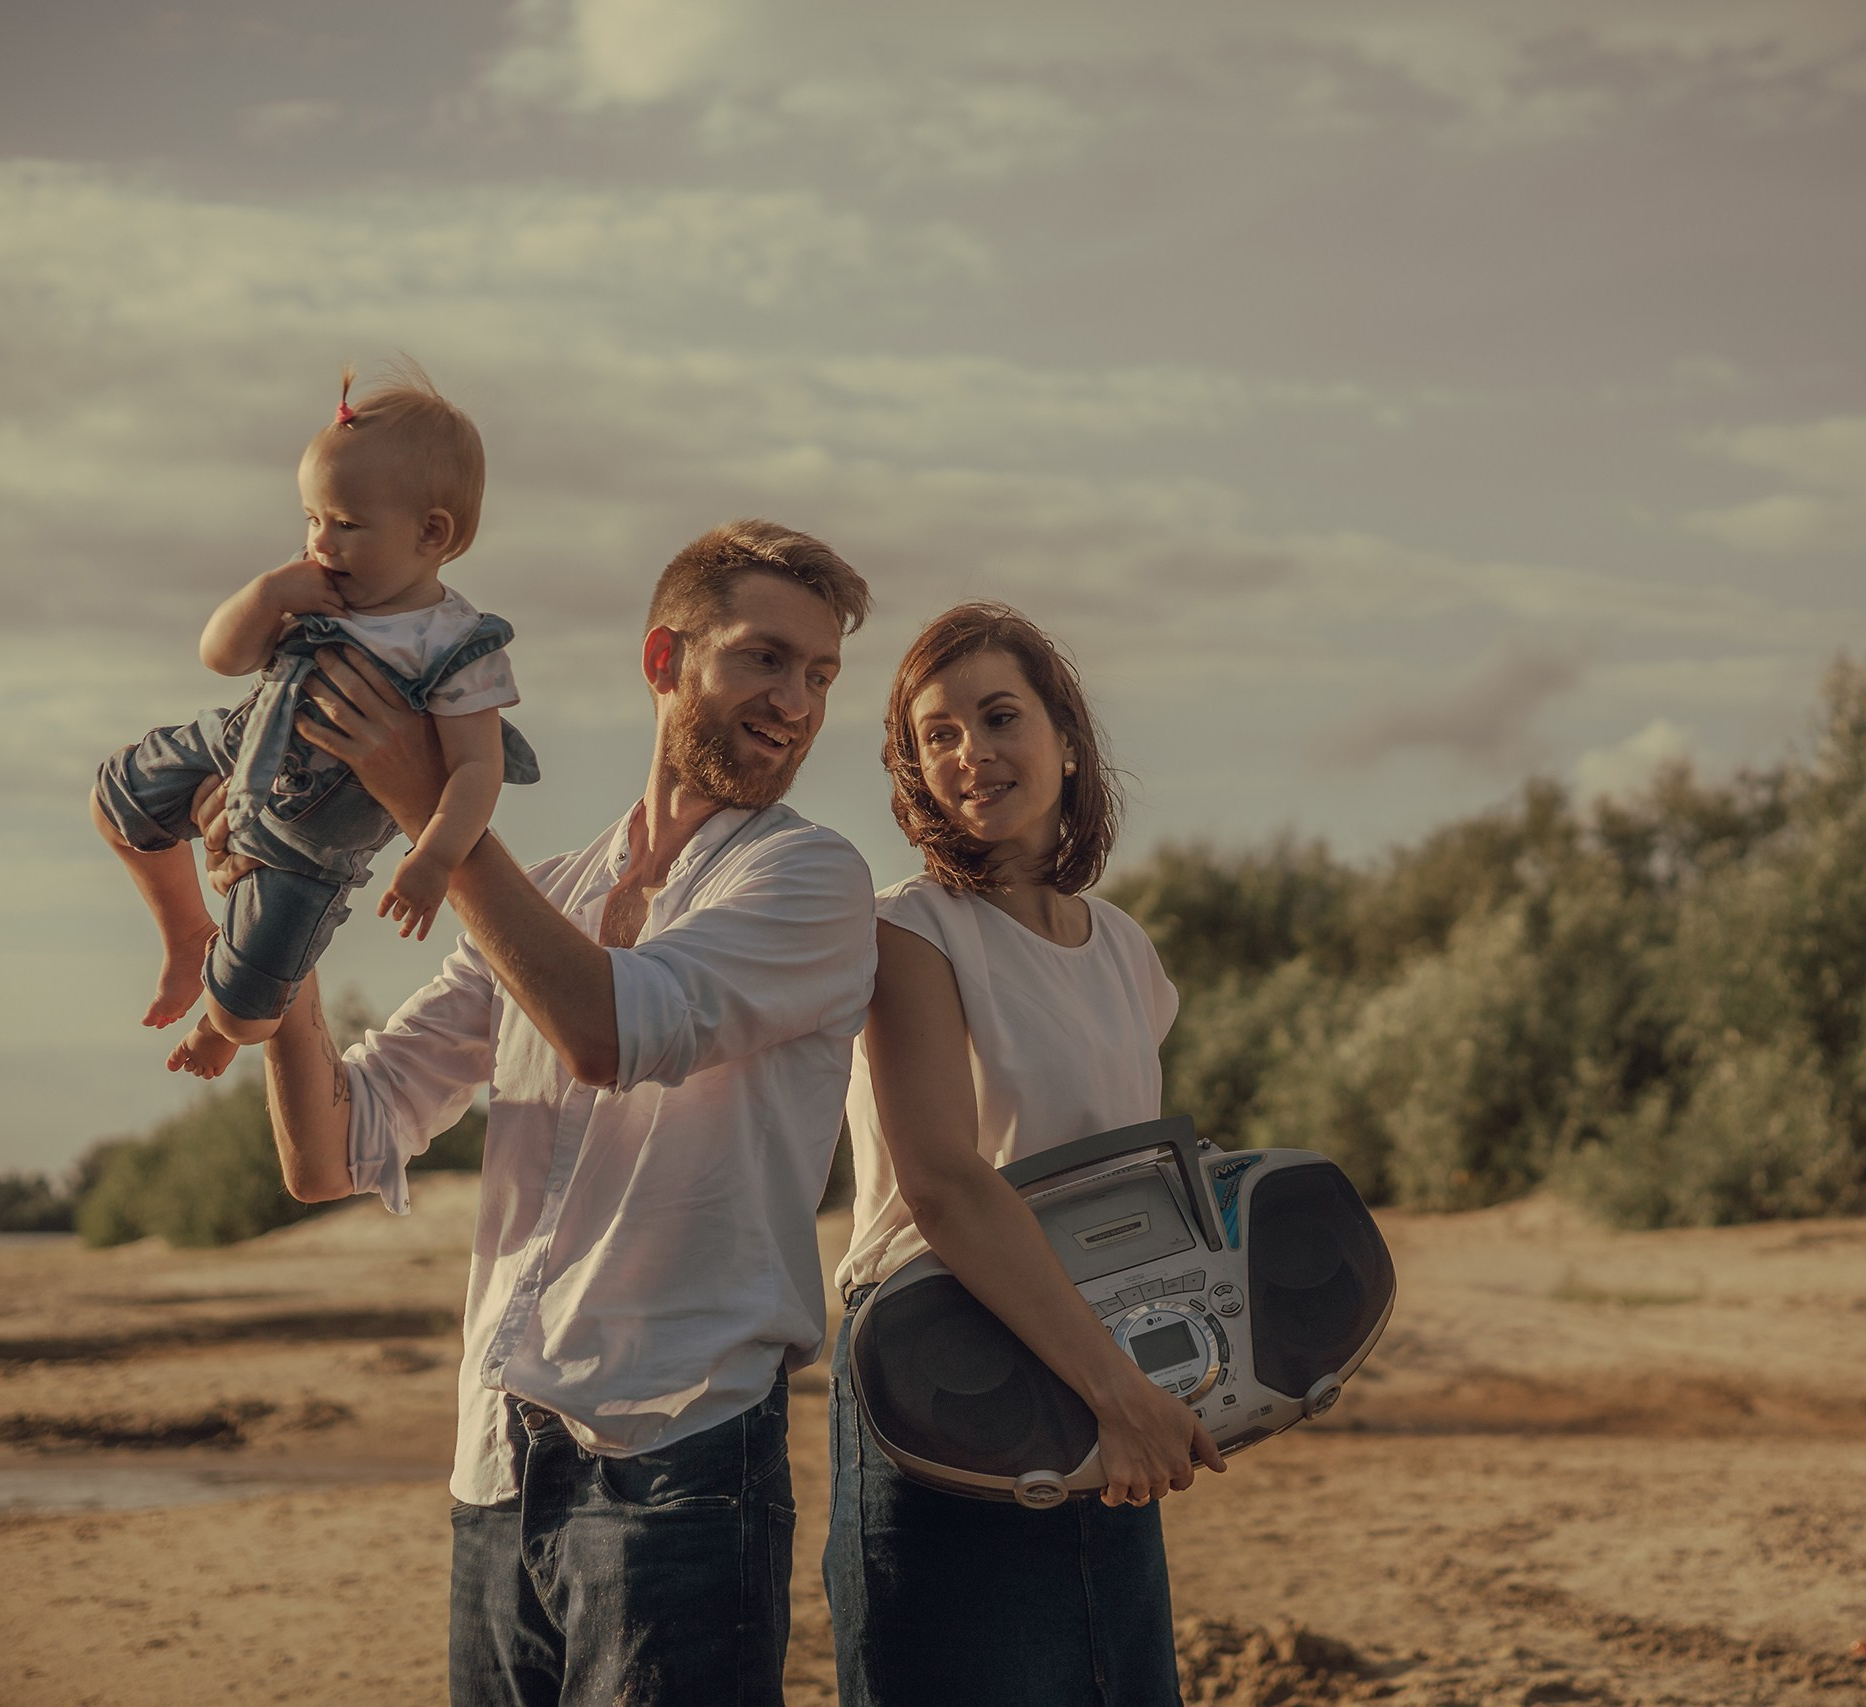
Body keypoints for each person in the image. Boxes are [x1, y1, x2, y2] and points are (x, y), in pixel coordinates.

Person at [223, 520, 875, 1707]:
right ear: (662, 661)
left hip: (679, 1465)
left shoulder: (814, 880)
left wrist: (437, 813)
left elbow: (612, 1031)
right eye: (765, 659)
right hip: (492, 1463)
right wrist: (293, 907)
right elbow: (329, 1150)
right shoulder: (552, 892)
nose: (796, 701)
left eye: (820, 675)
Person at [826, 602, 1225, 1707]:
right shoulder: (911, 931)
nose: (971, 754)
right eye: (936, 736)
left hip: (1091, 1372)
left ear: (1064, 734)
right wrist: (1122, 1393)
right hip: (940, 1367)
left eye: (998, 717)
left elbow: (1119, 1191)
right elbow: (945, 1185)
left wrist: (1164, 1379)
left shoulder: (1126, 952)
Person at [92, 363, 536, 1081]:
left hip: (310, 844)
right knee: (113, 799)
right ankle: (184, 935)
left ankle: (217, 1021)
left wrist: (434, 856)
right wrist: (268, 594)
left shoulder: (456, 647)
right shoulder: (314, 586)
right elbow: (221, 656)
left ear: (431, 533)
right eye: (311, 518)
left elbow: (477, 769)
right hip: (232, 751)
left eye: (346, 524)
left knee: (250, 1011)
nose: (321, 542)